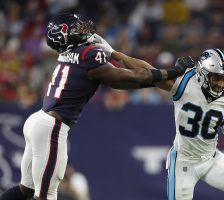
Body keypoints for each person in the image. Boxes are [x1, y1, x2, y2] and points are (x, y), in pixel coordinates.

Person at [0, 13, 193, 200]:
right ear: (66, 36)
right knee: (45, 195)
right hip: (52, 127)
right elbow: (125, 79)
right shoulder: (89, 54)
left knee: (26, 189)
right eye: (77, 27)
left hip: (38, 120)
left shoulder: (71, 53)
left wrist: (115, 54)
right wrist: (173, 72)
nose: (83, 28)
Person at [96, 40, 224, 200]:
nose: (222, 84)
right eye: (216, 78)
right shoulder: (185, 82)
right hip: (183, 161)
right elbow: (146, 71)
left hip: (210, 158)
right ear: (202, 73)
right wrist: (115, 54)